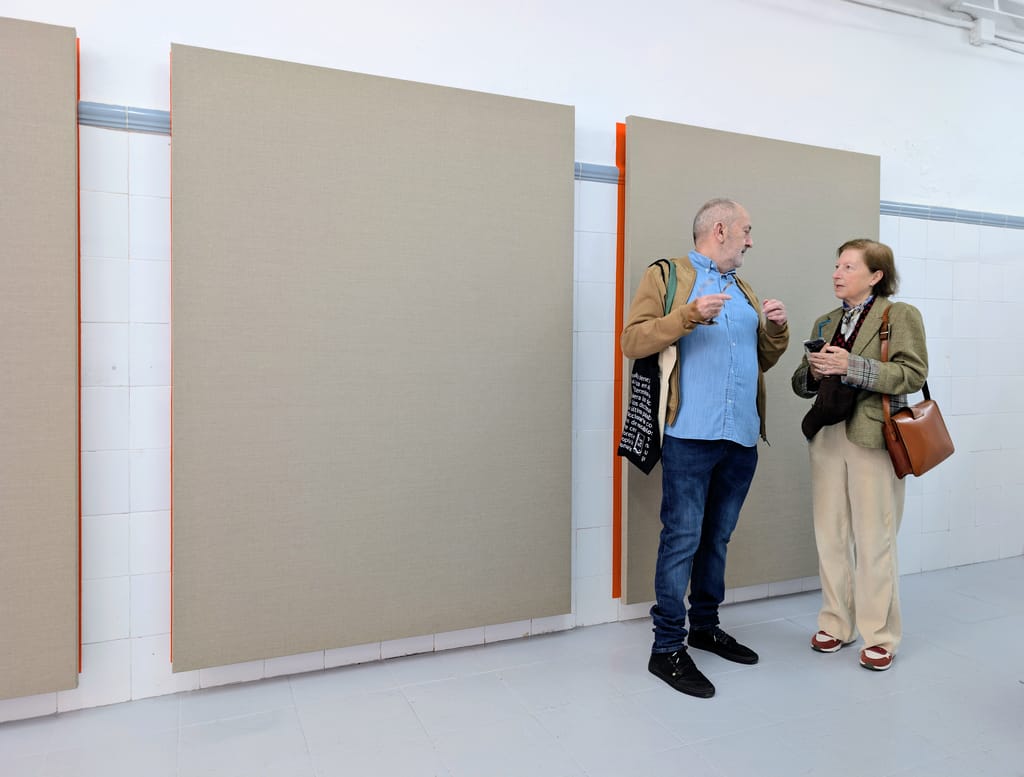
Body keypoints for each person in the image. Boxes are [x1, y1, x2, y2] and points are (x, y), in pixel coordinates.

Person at [621, 198, 789, 698]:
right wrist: (688, 315)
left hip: (740, 438)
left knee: (717, 539)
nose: (751, 240)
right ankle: (667, 647)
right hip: (689, 435)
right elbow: (633, 341)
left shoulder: (743, 288)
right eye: (746, 230)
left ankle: (705, 627)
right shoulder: (666, 276)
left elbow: (762, 359)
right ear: (720, 230)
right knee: (682, 539)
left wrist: (777, 331)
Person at [791, 238, 927, 672]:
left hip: (874, 438)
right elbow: (800, 382)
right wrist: (815, 373)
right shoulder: (825, 320)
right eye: (837, 265)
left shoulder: (899, 315)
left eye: (848, 267)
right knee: (830, 535)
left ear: (875, 275)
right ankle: (836, 622)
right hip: (826, 436)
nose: (837, 273)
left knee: (874, 539)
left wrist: (850, 366)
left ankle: (880, 635)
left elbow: (913, 373)